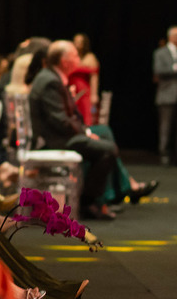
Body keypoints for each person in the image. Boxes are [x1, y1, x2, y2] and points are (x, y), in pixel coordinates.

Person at [28, 39, 119, 220]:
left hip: (60, 135)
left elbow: (70, 117)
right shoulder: (49, 81)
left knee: (104, 134)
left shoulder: (53, 77)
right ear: (65, 61)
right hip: (55, 140)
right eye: (75, 56)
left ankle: (104, 199)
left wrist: (86, 131)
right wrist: (85, 133)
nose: (79, 59)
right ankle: (88, 202)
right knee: (108, 150)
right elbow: (60, 121)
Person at [152, 25, 177, 165]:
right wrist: (176, 68)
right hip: (166, 94)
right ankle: (164, 154)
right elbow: (158, 70)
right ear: (171, 36)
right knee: (166, 126)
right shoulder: (160, 53)